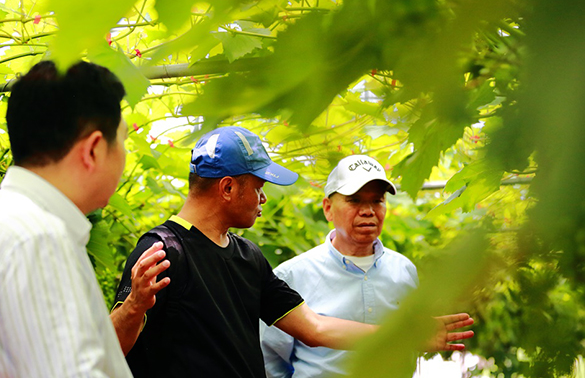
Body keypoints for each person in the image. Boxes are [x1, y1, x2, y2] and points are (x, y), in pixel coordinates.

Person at [111, 127, 473, 378]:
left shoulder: (247, 257)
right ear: (227, 188)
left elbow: (315, 328)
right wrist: (134, 307)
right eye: (258, 187)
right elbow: (110, 347)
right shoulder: (164, 250)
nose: (264, 198)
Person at [260, 154, 473, 378]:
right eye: (355, 200)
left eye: (377, 200)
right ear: (328, 208)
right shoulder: (292, 275)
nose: (368, 211)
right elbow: (270, 362)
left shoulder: (404, 271)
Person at [0, 60, 133, 377]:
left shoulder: (17, 222)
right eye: (124, 140)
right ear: (93, 151)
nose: (125, 154)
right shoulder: (39, 239)